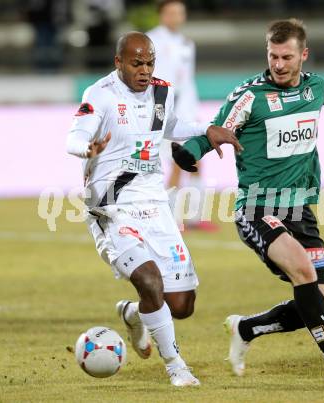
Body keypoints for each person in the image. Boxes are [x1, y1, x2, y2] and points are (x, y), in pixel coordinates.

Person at [172, 19, 324, 383]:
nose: (278, 63)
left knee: (320, 308)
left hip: (300, 211)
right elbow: (217, 130)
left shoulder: (315, 88)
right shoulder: (250, 96)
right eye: (273, 55)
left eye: (286, 56)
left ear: (303, 55)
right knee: (304, 273)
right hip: (257, 209)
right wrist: (190, 151)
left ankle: (247, 328)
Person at [66, 32, 242, 387]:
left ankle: (133, 313)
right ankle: (177, 366)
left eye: (149, 63)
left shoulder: (162, 90)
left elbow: (170, 127)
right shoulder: (99, 94)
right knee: (149, 280)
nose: (144, 70)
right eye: (136, 63)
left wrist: (208, 130)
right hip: (112, 208)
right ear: (119, 62)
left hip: (155, 205)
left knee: (181, 305)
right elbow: (73, 136)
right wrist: (88, 148)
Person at [147, 0, 218, 231]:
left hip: (187, 112)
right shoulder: (150, 41)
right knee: (177, 163)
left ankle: (196, 217)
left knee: (197, 160)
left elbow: (186, 81)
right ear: (161, 14)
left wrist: (193, 110)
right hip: (165, 113)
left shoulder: (187, 43)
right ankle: (171, 219)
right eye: (171, 12)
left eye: (180, 12)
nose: (176, 16)